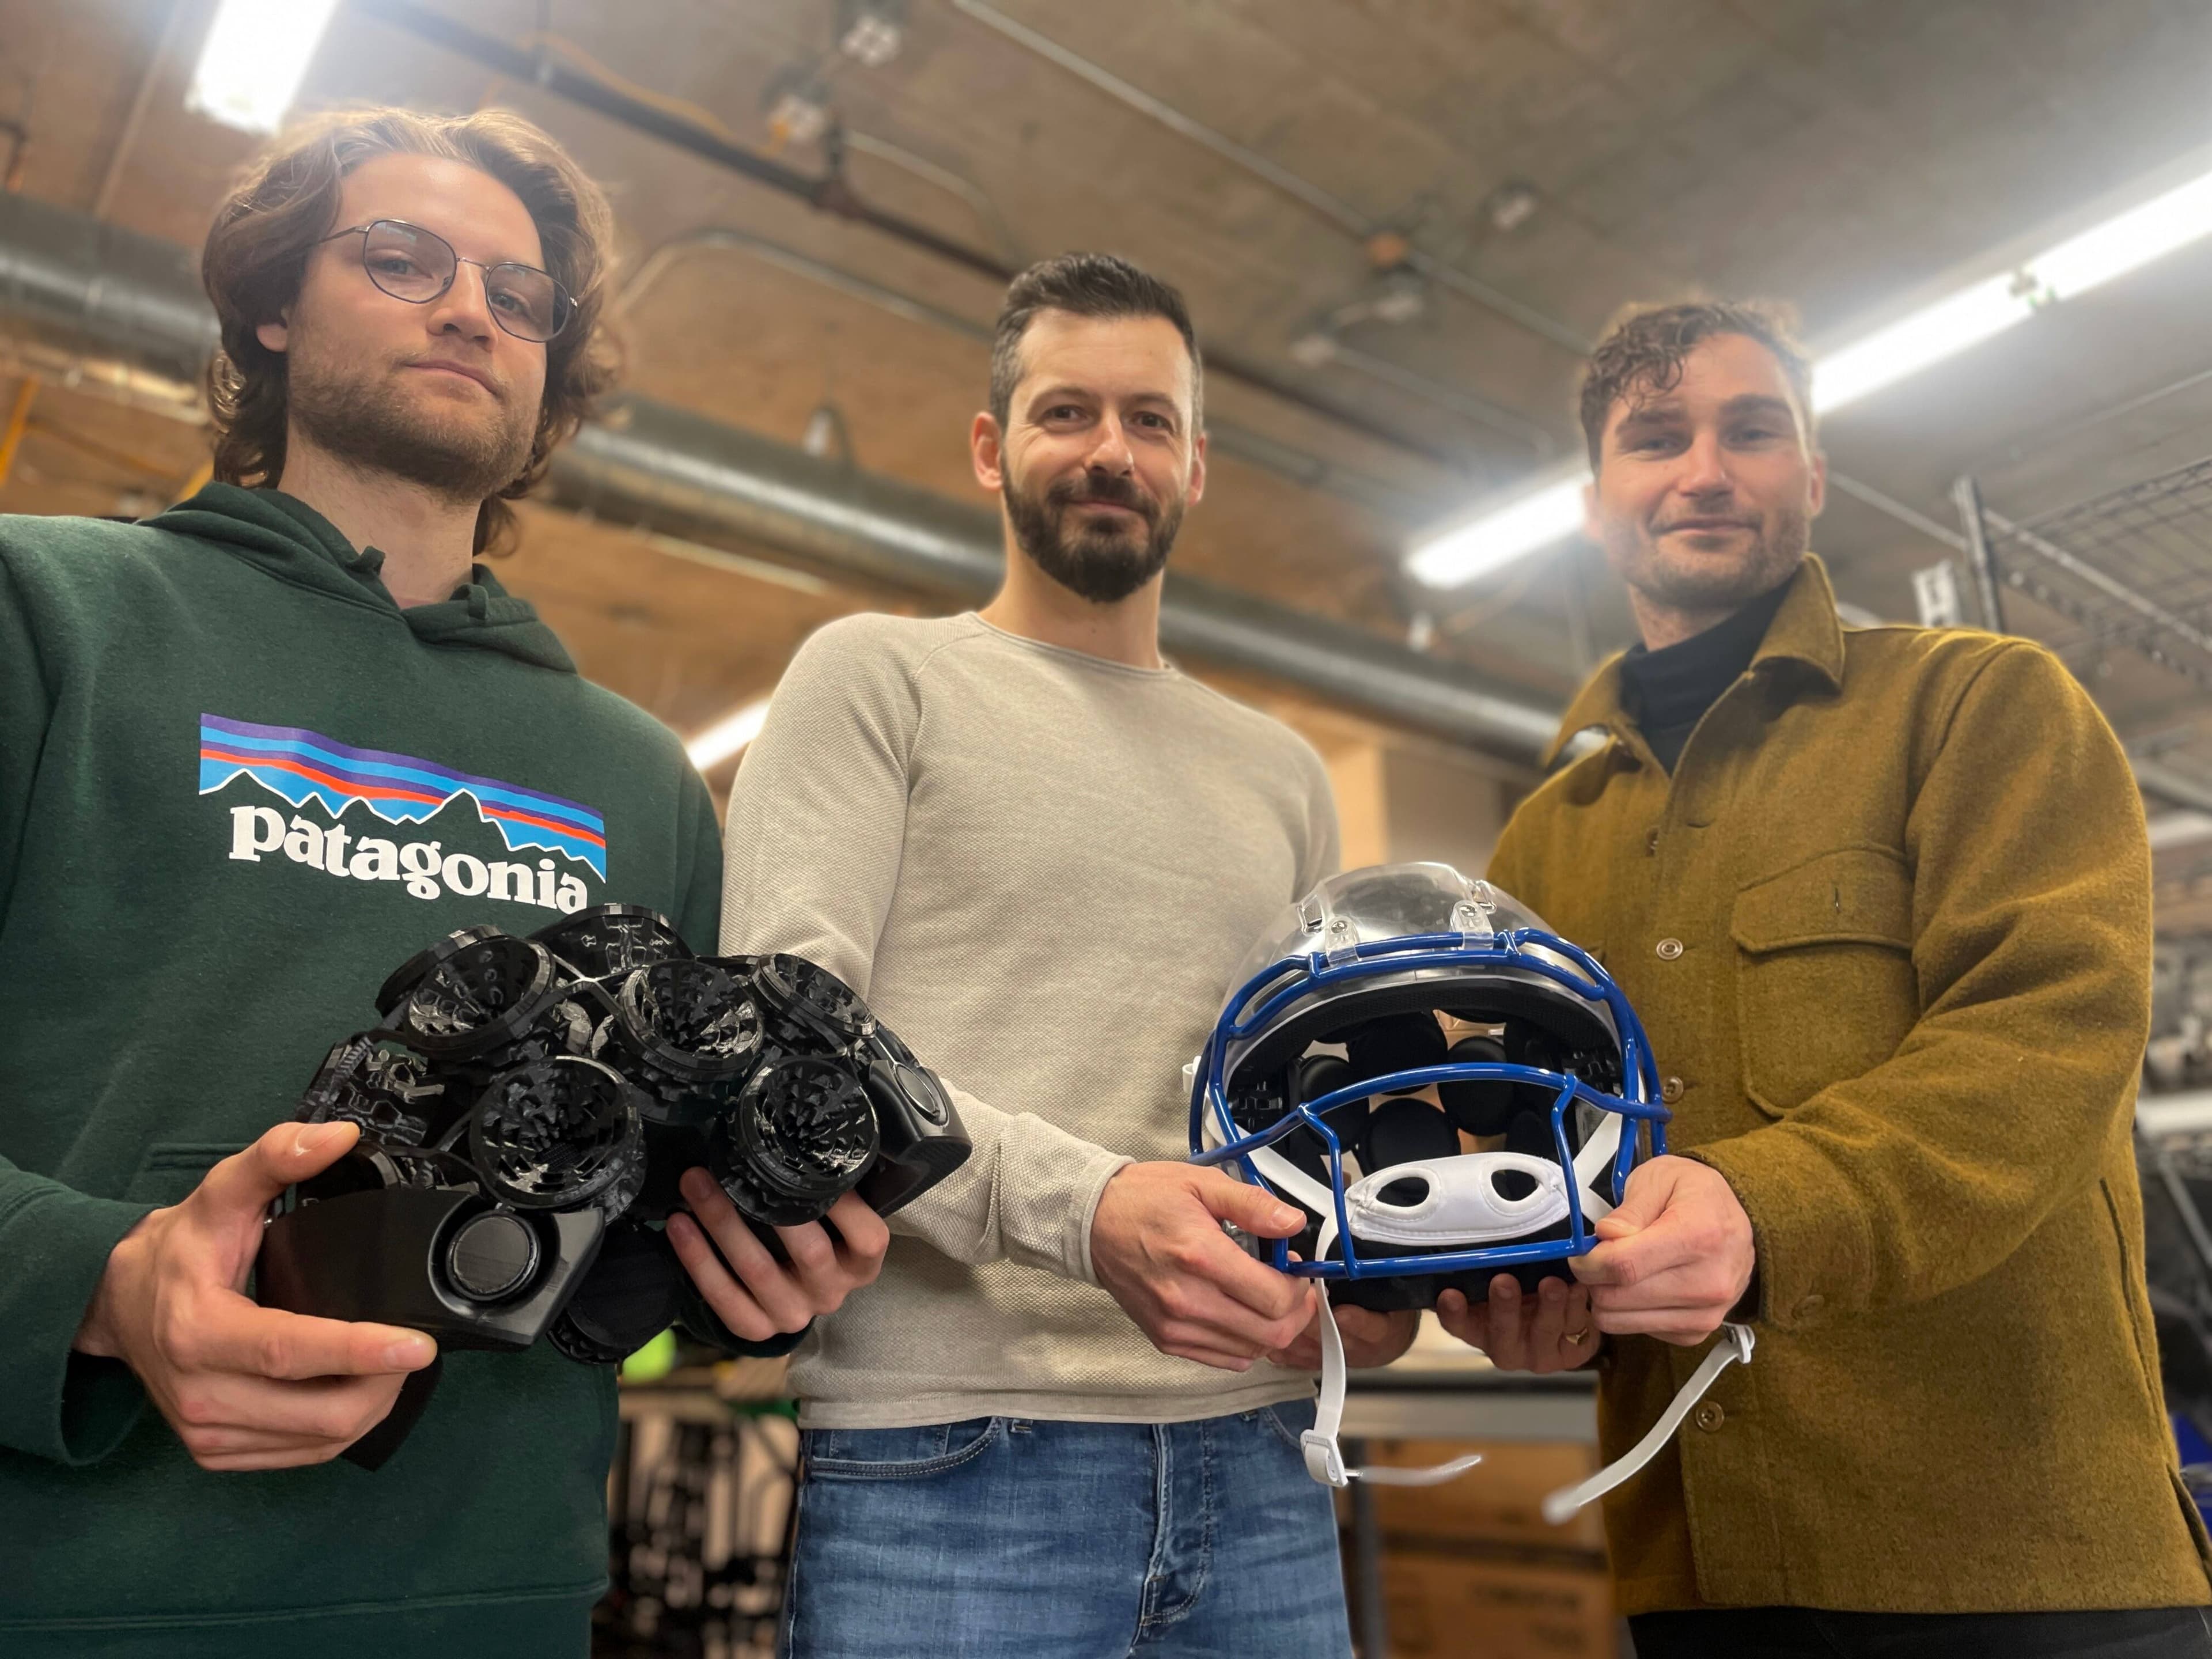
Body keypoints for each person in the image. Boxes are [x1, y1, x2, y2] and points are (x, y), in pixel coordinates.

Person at [0, 108, 877, 1659]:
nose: (471, 308)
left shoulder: (641, 777)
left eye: (518, 294)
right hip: (76, 1588)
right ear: (272, 307)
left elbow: (648, 1231)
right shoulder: (52, 617)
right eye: (401, 260)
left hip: (505, 1605)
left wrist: (763, 1270)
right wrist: (107, 1284)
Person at [1449, 300, 2212, 1656]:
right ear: (1595, 502)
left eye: (1752, 430)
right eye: (1654, 439)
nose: (1703, 469)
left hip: (2020, 1560)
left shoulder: (1984, 707)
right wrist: (1553, 1308)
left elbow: (2046, 1037)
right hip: (1702, 1573)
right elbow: (1550, 1147)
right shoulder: (1540, 845)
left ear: (1811, 475)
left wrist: (1762, 1206)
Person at [716, 252, 1414, 1654]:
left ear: (1196, 465)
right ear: (992, 447)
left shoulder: (1282, 773)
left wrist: (1367, 1276)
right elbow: (786, 1051)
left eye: (1150, 421)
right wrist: (1086, 1210)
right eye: (1066, 413)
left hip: (1265, 1461)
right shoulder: (877, 679)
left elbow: (1300, 1099)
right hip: (955, 1463)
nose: (1111, 451)